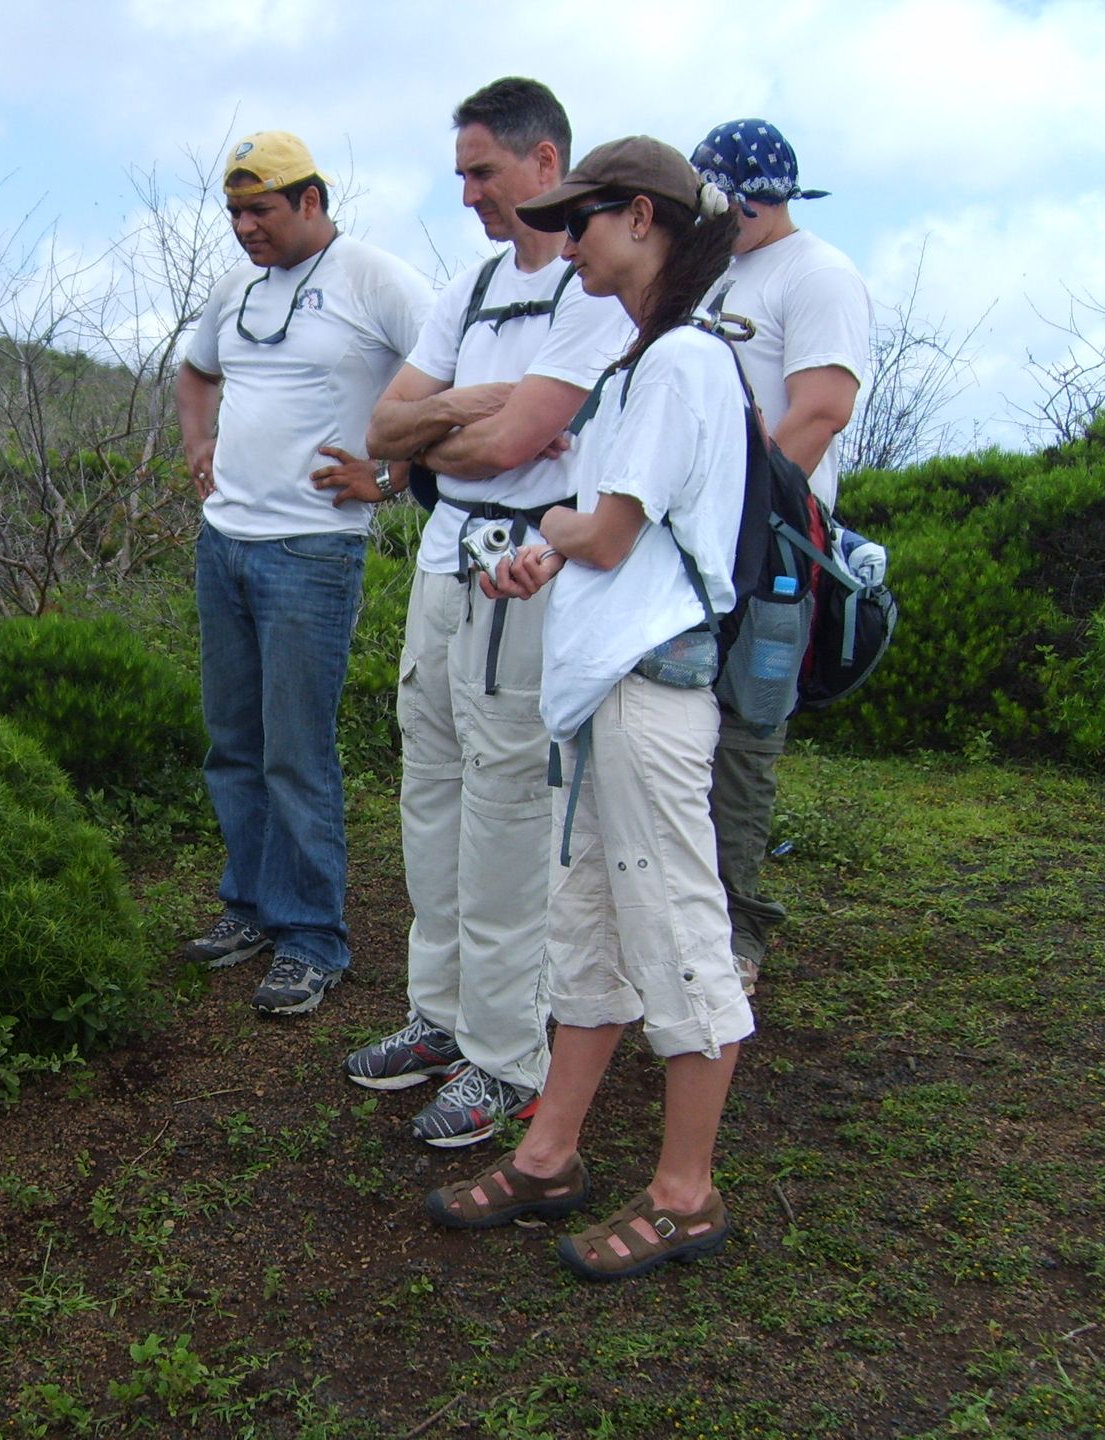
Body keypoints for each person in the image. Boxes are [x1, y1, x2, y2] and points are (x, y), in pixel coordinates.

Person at [423, 138, 753, 1280]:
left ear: (647, 219)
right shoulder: (636, 366)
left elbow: (607, 531)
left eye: (585, 219)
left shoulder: (679, 366)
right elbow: (618, 539)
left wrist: (557, 533)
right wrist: (548, 556)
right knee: (593, 933)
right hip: (608, 691)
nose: (566, 241)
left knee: (678, 935)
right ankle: (552, 1154)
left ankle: (686, 1193)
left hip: (650, 697)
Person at [346, 79, 632, 1147]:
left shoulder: (592, 288)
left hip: (524, 567)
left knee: (509, 799)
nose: (469, 193)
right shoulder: (468, 288)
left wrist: (455, 425)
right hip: (441, 557)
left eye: (484, 172)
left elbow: (523, 448)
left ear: (546, 165)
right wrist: (470, 409)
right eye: (462, 173)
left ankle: (506, 1056)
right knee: (429, 782)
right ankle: (440, 1014)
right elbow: (385, 429)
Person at [177, 132, 431, 1015]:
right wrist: (197, 440)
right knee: (233, 742)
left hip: (312, 552)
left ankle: (312, 936)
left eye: (263, 210)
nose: (247, 227)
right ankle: (249, 904)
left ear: (311, 201)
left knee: (296, 749)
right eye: (236, 212)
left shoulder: (374, 278)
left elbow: (453, 375)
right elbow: (196, 368)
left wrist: (393, 477)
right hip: (226, 543)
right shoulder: (235, 287)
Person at [689, 119, 873, 996]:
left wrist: (749, 507)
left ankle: (738, 930)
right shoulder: (716, 269)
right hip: (694, 542)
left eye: (736, 201)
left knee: (748, 732)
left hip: (773, 547)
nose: (727, 214)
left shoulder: (818, 274)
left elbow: (823, 406)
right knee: (681, 727)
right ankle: (677, 918)